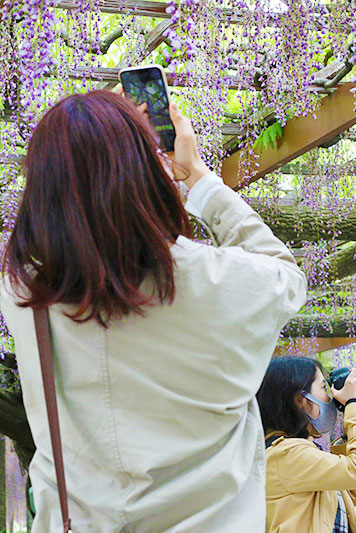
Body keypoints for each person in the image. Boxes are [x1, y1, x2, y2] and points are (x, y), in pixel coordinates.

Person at [0, 90, 307, 532]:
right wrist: (197, 176)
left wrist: (91, 127)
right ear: (147, 172)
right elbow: (285, 274)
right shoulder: (217, 280)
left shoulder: (24, 293)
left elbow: (65, 222)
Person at [256, 356, 356, 533]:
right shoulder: (285, 454)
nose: (330, 396)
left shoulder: (299, 453)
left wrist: (355, 413)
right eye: (323, 387)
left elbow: (355, 490)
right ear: (300, 400)